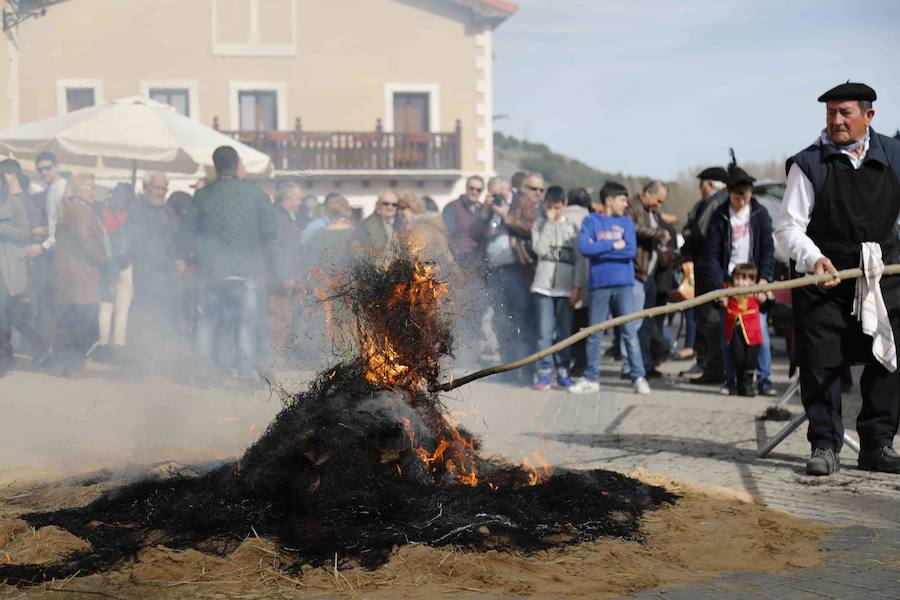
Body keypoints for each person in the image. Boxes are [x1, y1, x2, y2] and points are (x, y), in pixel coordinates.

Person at [774, 82, 900, 475]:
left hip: (882, 277)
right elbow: (787, 229)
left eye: (845, 113)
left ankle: (877, 445)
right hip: (823, 280)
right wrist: (814, 260)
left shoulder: (896, 156)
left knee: (887, 364)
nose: (837, 121)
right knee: (821, 363)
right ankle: (825, 445)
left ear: (869, 116)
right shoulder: (809, 163)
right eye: (831, 113)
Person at [179, 146, 276, 386]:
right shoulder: (255, 194)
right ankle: (243, 375)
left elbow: (186, 233)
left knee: (207, 323)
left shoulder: (203, 195)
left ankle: (203, 374)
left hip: (211, 271)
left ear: (215, 166)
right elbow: (271, 232)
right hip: (246, 272)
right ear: (237, 164)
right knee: (245, 324)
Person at [570, 181, 650, 395]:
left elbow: (630, 251)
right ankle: (591, 378)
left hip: (624, 285)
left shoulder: (627, 223)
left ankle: (638, 377)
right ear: (609, 200)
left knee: (628, 332)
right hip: (599, 285)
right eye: (622, 200)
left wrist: (601, 249)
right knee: (595, 333)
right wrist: (613, 245)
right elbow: (585, 247)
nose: (626, 204)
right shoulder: (591, 220)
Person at [705, 165, 776, 396]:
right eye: (737, 196)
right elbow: (712, 256)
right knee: (729, 335)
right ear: (729, 193)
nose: (742, 201)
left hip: (754, 281)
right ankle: (731, 380)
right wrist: (719, 289)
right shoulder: (719, 216)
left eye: (746, 195)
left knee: (761, 334)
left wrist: (764, 279)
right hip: (729, 282)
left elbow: (768, 250)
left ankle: (764, 380)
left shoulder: (760, 214)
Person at [52, 173, 109, 377]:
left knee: (67, 322)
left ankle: (62, 363)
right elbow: (85, 239)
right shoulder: (83, 210)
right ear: (78, 190)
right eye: (89, 188)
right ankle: (76, 367)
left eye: (94, 188)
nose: (94, 192)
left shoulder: (65, 209)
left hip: (66, 275)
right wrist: (103, 260)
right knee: (83, 324)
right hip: (83, 275)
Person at [125, 172, 181, 376]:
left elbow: (175, 240)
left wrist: (179, 259)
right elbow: (142, 246)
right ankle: (142, 365)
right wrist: (169, 262)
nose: (160, 193)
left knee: (163, 319)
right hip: (147, 275)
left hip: (166, 277)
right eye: (156, 188)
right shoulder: (138, 210)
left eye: (164, 189)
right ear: (146, 188)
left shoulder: (167, 211)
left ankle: (160, 363)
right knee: (146, 318)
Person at [530, 186, 585, 390]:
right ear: (545, 206)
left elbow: (580, 260)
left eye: (558, 207)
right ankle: (544, 372)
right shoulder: (539, 225)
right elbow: (540, 250)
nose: (554, 210)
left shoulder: (573, 228)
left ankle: (563, 371)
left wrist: (577, 286)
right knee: (545, 334)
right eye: (550, 207)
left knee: (564, 334)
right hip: (543, 288)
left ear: (564, 206)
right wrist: (550, 225)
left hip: (565, 289)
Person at [680, 167, 728, 371]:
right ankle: (708, 362)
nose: (699, 189)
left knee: (709, 318)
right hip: (713, 265)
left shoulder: (715, 201)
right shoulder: (721, 201)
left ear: (710, 185)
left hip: (709, 267)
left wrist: (685, 248)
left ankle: (712, 366)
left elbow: (699, 232)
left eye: (701, 184)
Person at [623, 180, 670, 379]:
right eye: (658, 200)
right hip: (635, 274)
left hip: (649, 276)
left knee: (646, 326)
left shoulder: (653, 213)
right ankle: (628, 366)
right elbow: (632, 228)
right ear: (647, 193)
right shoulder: (632, 207)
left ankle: (644, 363)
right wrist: (659, 234)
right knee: (631, 324)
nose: (658, 205)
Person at [95, 182, 135, 363]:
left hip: (105, 264)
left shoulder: (102, 212)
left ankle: (102, 345)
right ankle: (119, 346)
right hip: (127, 264)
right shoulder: (131, 215)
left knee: (105, 306)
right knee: (123, 308)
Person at [266, 180, 304, 358]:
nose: (300, 202)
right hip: (279, 280)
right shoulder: (278, 217)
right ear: (287, 198)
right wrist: (285, 275)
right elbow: (277, 248)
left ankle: (274, 358)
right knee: (279, 320)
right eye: (298, 198)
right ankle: (271, 360)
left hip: (283, 277)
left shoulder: (283, 216)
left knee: (283, 319)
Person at [0, 168, 32, 376]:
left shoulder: (15, 203)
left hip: (7, 266)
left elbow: (25, 233)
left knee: (2, 313)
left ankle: (4, 358)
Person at [721, 263, 765, 397]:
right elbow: (720, 299)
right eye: (738, 278)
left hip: (752, 331)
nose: (741, 282)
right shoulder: (728, 289)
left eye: (745, 279)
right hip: (735, 330)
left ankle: (748, 384)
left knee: (750, 359)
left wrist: (764, 297)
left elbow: (766, 301)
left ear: (752, 281)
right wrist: (722, 301)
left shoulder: (756, 290)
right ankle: (739, 384)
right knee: (738, 357)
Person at [441, 175, 485, 271]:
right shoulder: (452, 207)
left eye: (478, 190)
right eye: (472, 188)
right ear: (466, 188)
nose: (474, 192)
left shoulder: (483, 210)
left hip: (479, 263)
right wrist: (451, 261)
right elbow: (443, 235)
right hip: (458, 260)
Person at [35, 151, 67, 252]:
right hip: (56, 247)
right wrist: (45, 230)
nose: (44, 172)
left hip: (62, 249)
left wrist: (42, 247)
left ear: (57, 167)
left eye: (48, 168)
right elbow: (55, 222)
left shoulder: (61, 189)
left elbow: (64, 226)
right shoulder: (51, 189)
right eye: (40, 169)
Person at [354, 190, 399, 259]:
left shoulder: (396, 223)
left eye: (394, 204)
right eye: (386, 203)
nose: (390, 207)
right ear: (377, 205)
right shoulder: (369, 225)